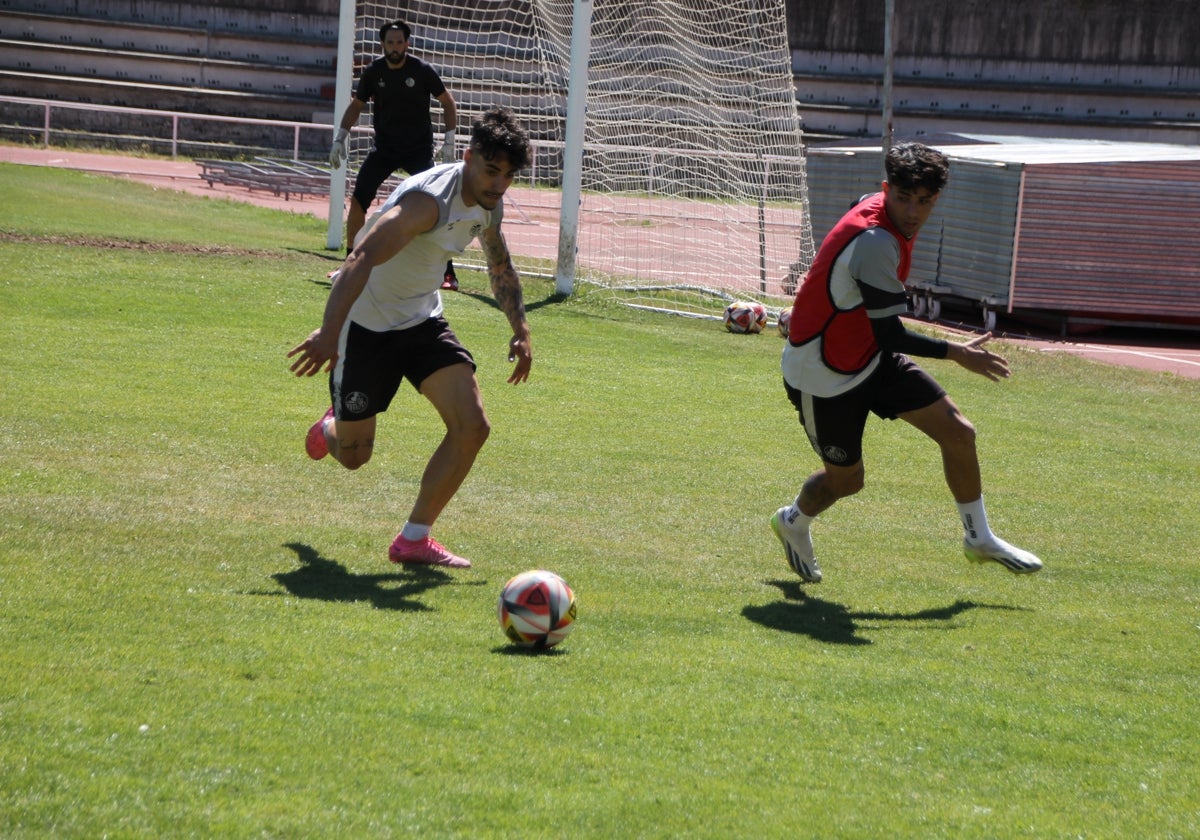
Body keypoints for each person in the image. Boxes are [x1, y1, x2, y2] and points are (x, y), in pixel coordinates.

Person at [770, 141, 1042, 584]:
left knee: (959, 432)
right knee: (847, 482)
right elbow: (892, 334)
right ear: (885, 189)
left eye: (924, 201)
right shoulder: (877, 243)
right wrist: (959, 353)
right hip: (824, 374)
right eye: (903, 198)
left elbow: (853, 222)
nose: (913, 212)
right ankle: (792, 521)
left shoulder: (875, 212)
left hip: (868, 356)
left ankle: (979, 538)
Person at [290, 107, 534, 569]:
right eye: (490, 170)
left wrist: (520, 330)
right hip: (366, 325)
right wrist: (330, 331)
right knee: (355, 458)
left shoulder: (489, 203)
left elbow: (499, 264)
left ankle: (413, 540)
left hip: (422, 319)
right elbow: (360, 257)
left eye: (507, 175)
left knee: (473, 426)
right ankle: (331, 426)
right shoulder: (427, 202)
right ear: (467, 157)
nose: (498, 184)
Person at [328, 19, 460, 290]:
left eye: (400, 42)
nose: (395, 47)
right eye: (390, 42)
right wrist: (340, 137)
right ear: (383, 44)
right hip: (385, 149)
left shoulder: (421, 70)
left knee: (437, 208)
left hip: (418, 151)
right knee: (357, 201)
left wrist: (449, 141)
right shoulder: (373, 71)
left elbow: (448, 102)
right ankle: (349, 264)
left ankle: (448, 273)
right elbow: (356, 105)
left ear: (407, 44)